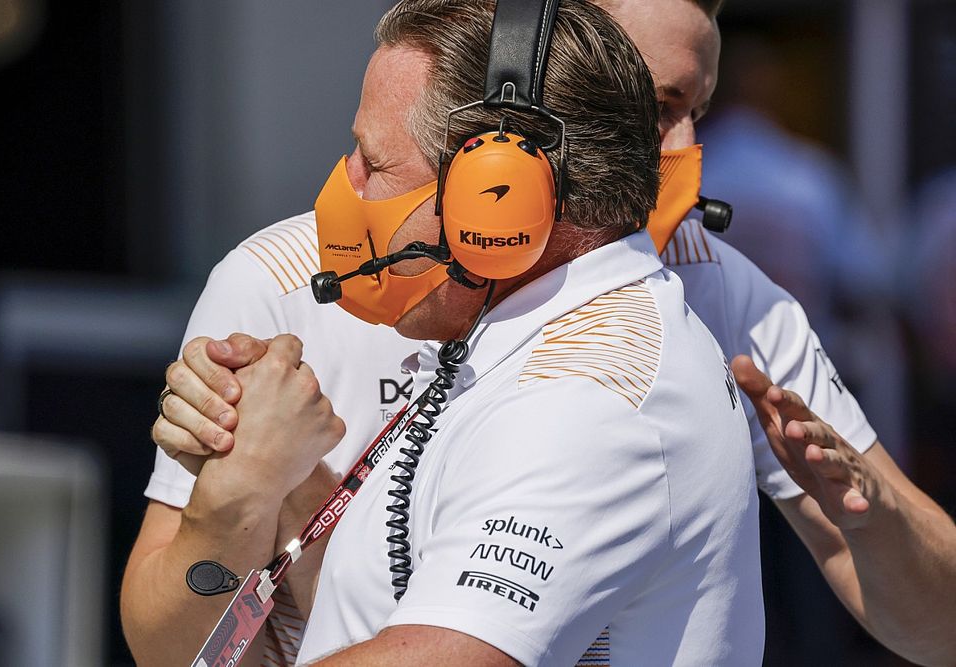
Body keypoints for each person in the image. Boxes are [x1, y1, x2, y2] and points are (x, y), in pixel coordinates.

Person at [128, 0, 956, 664]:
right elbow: (169, 640)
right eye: (639, 106)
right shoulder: (279, 282)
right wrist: (238, 502)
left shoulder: (678, 321)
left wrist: (871, 510)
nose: (676, 151)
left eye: (691, 109)